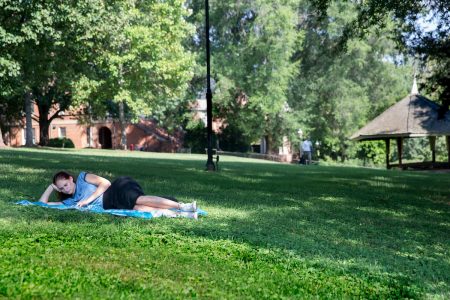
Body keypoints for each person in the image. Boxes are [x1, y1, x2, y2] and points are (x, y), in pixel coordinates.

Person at [39, 171, 198, 219]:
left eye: (65, 184)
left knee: (139, 199)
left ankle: (183, 206)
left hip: (116, 188)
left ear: (70, 179)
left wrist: (87, 200)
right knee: (139, 207)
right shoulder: (70, 202)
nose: (65, 189)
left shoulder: (82, 177)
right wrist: (51, 187)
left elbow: (106, 183)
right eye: (61, 188)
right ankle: (181, 214)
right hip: (111, 205)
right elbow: (42, 204)